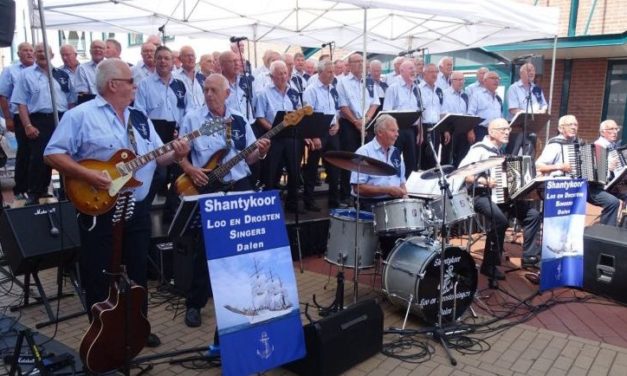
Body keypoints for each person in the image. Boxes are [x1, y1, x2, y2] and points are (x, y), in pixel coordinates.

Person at [44, 59, 190, 347]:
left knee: (137, 270)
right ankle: (103, 336)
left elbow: (157, 156)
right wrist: (89, 175)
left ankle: (137, 328)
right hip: (99, 207)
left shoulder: (138, 118)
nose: (135, 86)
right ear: (113, 84)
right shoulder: (81, 116)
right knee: (98, 272)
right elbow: (52, 154)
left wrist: (176, 153)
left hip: (136, 206)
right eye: (131, 82)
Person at [177, 73, 270, 327]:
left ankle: (242, 299)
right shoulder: (193, 119)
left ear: (227, 93)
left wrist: (260, 152)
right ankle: (195, 304)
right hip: (208, 186)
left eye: (214, 90)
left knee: (243, 244)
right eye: (205, 90)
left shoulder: (240, 120)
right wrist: (189, 169)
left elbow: (249, 157)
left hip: (239, 185)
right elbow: (179, 154)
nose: (208, 94)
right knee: (205, 247)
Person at [459, 118, 542, 282]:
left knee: (532, 214)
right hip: (479, 195)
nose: (507, 132)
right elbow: (464, 173)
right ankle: (489, 265)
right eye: (503, 129)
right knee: (500, 221)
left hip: (501, 196)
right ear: (491, 132)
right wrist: (485, 181)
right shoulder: (478, 149)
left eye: (508, 129)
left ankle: (530, 258)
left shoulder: (499, 151)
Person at [11, 43, 76, 204]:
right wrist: (27, 125)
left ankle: (67, 192)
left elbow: (71, 101)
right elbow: (21, 103)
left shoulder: (62, 75)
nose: (41, 54)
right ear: (34, 54)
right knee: (39, 158)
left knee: (65, 156)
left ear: (52, 55)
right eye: (38, 51)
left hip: (61, 118)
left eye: (44, 51)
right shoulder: (26, 75)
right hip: (39, 120)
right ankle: (36, 192)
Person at [537, 115, 622, 226]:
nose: (573, 127)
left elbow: (591, 167)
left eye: (575, 124)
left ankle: (605, 235)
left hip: (580, 186)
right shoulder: (555, 144)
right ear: (560, 128)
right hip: (560, 188)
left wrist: (603, 168)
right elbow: (538, 166)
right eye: (570, 125)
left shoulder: (580, 144)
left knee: (612, 202)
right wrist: (560, 167)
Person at [254, 60, 303, 213]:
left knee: (294, 172)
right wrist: (276, 129)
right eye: (279, 74)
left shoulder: (294, 93)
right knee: (271, 172)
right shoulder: (263, 93)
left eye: (284, 73)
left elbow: (300, 113)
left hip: (291, 138)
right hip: (272, 138)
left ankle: (292, 204)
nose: (282, 77)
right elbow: (260, 117)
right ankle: (269, 207)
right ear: (271, 76)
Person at [336, 53, 380, 206]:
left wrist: (366, 119)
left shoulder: (369, 81)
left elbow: (375, 103)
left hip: (366, 123)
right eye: (357, 62)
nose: (361, 64)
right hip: (350, 124)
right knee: (349, 159)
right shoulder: (342, 82)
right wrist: (355, 121)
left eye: (362, 61)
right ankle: (346, 194)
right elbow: (342, 106)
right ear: (349, 64)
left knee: (367, 158)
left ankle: (366, 189)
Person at [303, 60, 340, 209]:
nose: (332, 75)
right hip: (317, 132)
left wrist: (336, 124)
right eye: (329, 72)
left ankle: (334, 200)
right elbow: (308, 114)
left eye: (333, 72)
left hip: (331, 131)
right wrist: (314, 135)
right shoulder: (311, 90)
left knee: (334, 167)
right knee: (312, 167)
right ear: (320, 73)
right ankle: (309, 201)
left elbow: (334, 110)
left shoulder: (332, 89)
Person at [0, 42, 34, 201]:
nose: (29, 53)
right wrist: (8, 118)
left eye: (31, 50)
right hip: (19, 116)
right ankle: (21, 187)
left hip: (38, 115)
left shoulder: (40, 70)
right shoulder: (10, 71)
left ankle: (37, 186)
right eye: (25, 50)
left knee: (40, 153)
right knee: (24, 152)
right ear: (18, 54)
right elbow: (3, 95)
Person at [382, 59, 421, 177]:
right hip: (396, 130)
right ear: (401, 71)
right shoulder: (393, 88)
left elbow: (419, 112)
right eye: (410, 69)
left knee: (411, 162)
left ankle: (409, 189)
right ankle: (393, 186)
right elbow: (386, 112)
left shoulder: (417, 89)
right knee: (394, 160)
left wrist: (420, 132)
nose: (414, 71)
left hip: (411, 130)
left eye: (414, 69)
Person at [506, 62, 548, 156]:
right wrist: (530, 114)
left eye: (533, 70)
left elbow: (544, 105)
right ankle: (512, 171)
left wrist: (542, 111)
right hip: (517, 127)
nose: (532, 72)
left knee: (529, 154)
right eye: (529, 70)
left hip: (532, 126)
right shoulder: (514, 88)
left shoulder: (537, 89)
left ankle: (527, 170)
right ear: (521, 74)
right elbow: (513, 109)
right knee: (513, 154)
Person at [418, 63, 448, 169]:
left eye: (436, 72)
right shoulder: (418, 89)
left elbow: (442, 111)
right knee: (422, 158)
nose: (435, 74)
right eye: (431, 72)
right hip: (422, 126)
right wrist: (420, 131)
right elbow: (417, 110)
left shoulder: (439, 90)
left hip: (436, 127)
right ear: (424, 73)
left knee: (433, 157)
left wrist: (445, 130)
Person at [441, 71, 471, 166]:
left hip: (462, 130)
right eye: (457, 79)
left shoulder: (465, 95)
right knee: (447, 158)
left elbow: (467, 113)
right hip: (449, 129)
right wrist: (445, 130)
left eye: (462, 79)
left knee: (461, 158)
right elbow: (442, 113)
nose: (460, 82)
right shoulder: (445, 94)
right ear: (451, 81)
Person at [467, 70, 503, 144]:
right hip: (481, 131)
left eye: (498, 78)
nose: (496, 80)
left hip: (495, 132)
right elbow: (470, 114)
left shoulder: (498, 98)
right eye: (493, 78)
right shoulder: (477, 95)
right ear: (485, 81)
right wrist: (470, 131)